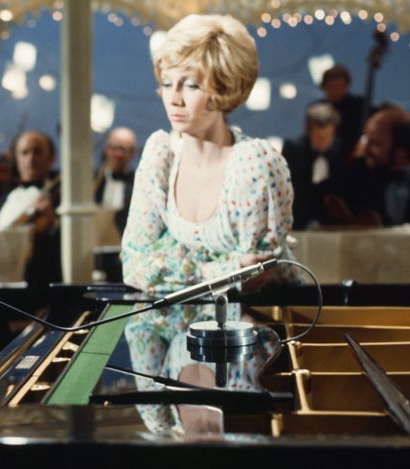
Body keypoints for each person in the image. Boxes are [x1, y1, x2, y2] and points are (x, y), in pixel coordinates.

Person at [120, 14, 300, 433]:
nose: (174, 99)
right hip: (179, 328)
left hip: (261, 333)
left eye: (191, 84)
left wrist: (175, 263)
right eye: (168, 83)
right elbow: (135, 266)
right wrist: (220, 270)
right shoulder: (161, 155)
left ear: (224, 87)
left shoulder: (255, 164)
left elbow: (259, 273)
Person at [0, 130, 62, 368]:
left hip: (35, 297)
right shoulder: (0, 195)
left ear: (51, 158)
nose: (31, 158)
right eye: (24, 152)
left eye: (37, 151)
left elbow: (63, 247)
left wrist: (52, 219)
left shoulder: (61, 195)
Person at [333, 105, 410, 227]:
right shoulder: (360, 173)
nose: (365, 149)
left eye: (375, 144)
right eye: (366, 140)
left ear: (402, 151)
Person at [282, 102, 347, 229]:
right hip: (297, 220)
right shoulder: (293, 150)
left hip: (329, 223)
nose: (323, 142)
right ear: (307, 130)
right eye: (318, 137)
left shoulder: (340, 149)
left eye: (328, 137)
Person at [316, 64, 366, 161]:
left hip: (353, 159)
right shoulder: (316, 109)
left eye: (341, 86)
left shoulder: (359, 105)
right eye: (332, 87)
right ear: (324, 87)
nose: (336, 91)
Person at [94, 126, 138, 234]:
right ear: (107, 149)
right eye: (114, 148)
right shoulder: (93, 180)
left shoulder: (137, 183)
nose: (118, 154)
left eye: (124, 149)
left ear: (132, 153)